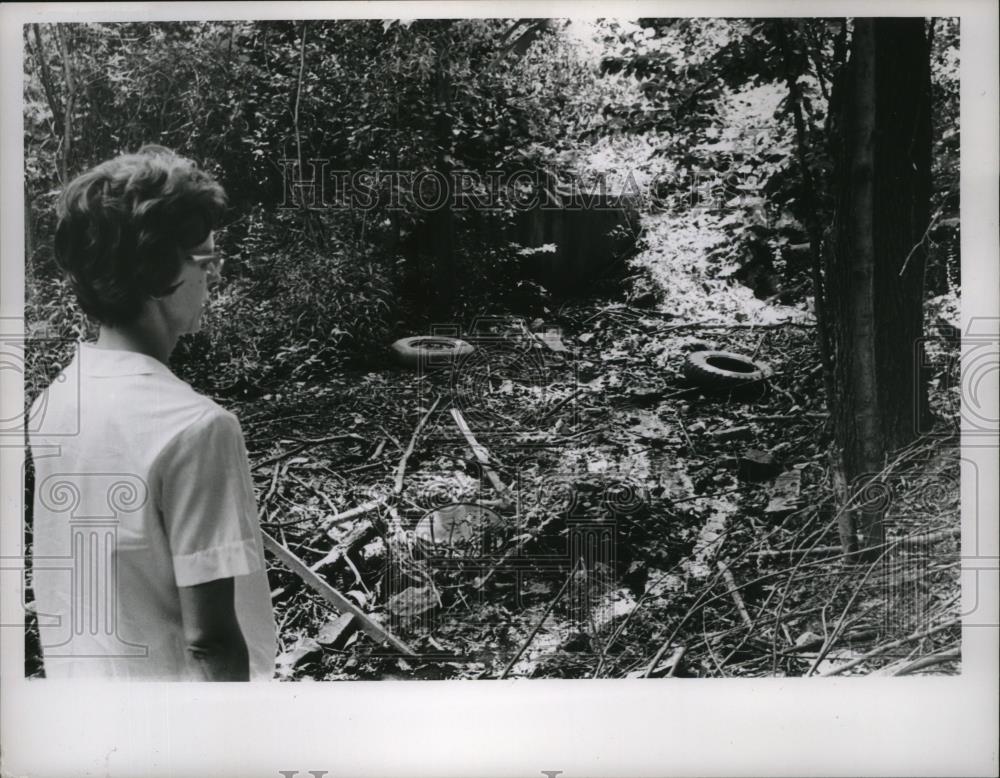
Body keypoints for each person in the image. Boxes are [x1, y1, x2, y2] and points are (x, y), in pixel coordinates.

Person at [28, 146, 276, 681]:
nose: (215, 276)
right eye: (206, 259)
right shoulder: (198, 428)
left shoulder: (55, 402)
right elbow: (211, 646)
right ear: (160, 271)